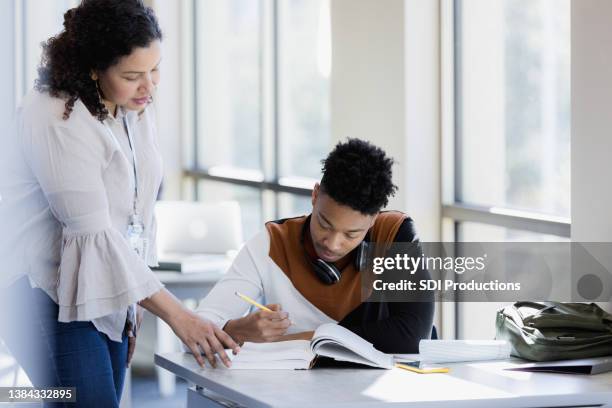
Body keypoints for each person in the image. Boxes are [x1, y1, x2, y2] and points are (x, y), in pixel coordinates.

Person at [0, 1, 237, 406]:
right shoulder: (57, 114)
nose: (149, 86)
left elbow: (136, 209)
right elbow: (92, 232)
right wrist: (178, 315)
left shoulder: (132, 105)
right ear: (94, 68)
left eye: (155, 69)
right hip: (41, 289)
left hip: (101, 283)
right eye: (132, 75)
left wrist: (133, 300)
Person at [195, 139, 434, 353]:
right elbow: (196, 330)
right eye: (324, 224)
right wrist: (236, 330)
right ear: (315, 195)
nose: (332, 243)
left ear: (372, 220)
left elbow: (413, 336)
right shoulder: (271, 243)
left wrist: (305, 339)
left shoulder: (395, 233)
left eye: (351, 234)